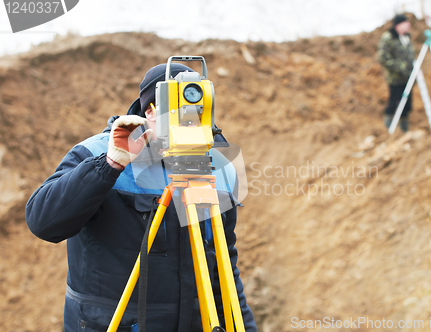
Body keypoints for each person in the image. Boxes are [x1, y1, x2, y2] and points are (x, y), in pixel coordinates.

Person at [25, 63, 257, 332]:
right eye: (177, 107)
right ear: (149, 111)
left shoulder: (216, 166)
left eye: (197, 106)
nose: (189, 115)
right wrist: (110, 164)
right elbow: (43, 222)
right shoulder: (97, 153)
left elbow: (224, 268)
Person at [378, 14, 415, 132]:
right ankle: (388, 126)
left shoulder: (406, 37)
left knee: (407, 103)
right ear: (398, 25)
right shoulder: (388, 37)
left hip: (407, 77)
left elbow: (410, 56)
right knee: (394, 101)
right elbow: (383, 57)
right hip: (395, 77)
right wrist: (400, 67)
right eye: (405, 23)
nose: (408, 25)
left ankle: (404, 127)